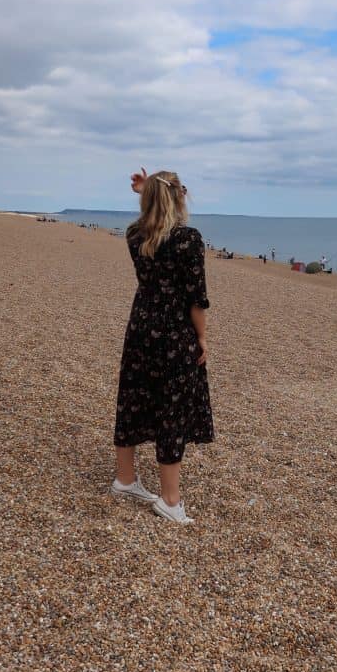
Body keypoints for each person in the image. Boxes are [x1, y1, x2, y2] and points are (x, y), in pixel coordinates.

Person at [112, 168, 214, 525]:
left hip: (141, 326)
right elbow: (196, 299)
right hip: (173, 332)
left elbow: (151, 220)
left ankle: (125, 479)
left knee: (134, 396)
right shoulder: (188, 239)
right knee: (171, 407)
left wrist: (146, 191)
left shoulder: (134, 234)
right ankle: (170, 500)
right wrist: (201, 338)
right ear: (177, 196)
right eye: (183, 188)